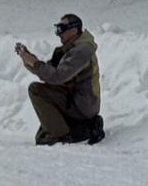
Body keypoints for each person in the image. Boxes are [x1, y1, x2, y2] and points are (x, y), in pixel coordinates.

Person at [16, 13, 103, 145]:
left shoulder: (82, 50)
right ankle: (84, 129)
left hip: (83, 106)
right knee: (41, 137)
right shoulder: (71, 49)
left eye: (61, 29)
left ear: (74, 30)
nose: (59, 34)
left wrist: (35, 63)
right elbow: (50, 71)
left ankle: (61, 135)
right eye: (57, 29)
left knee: (36, 90)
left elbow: (57, 76)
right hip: (76, 101)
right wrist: (29, 60)